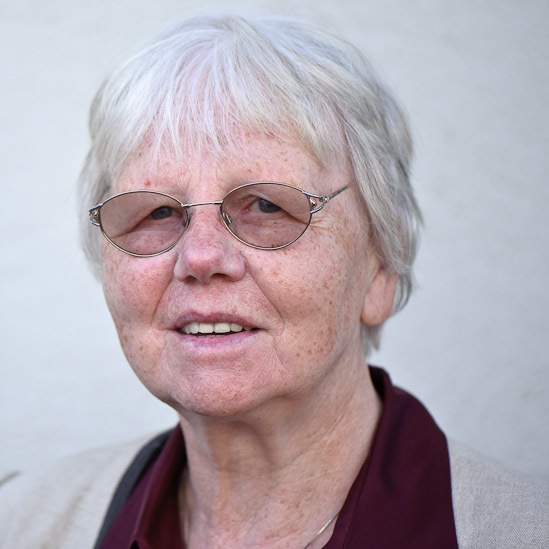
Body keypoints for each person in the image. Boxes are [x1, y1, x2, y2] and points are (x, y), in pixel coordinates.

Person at [1, 12, 547, 549]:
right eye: (157, 213)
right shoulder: (22, 525)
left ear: (382, 264)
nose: (200, 257)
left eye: (267, 205)